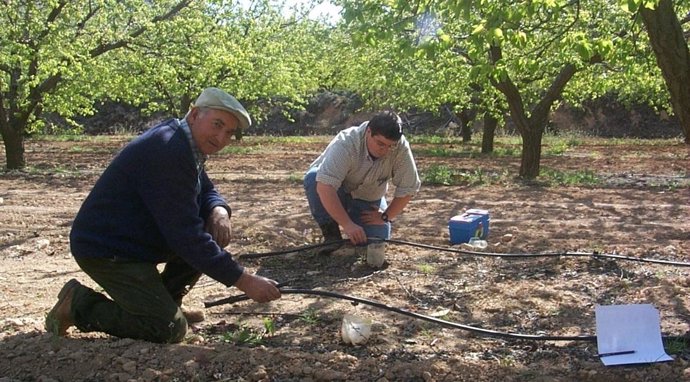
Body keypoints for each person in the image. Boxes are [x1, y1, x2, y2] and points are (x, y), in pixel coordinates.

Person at [45, 87, 281, 344]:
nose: (221, 137)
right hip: (108, 250)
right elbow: (185, 236)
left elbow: (205, 188)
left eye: (229, 132)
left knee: (208, 228)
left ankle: (167, 302)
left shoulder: (183, 141)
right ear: (194, 115)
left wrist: (218, 209)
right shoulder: (167, 149)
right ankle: (78, 305)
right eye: (217, 124)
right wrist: (244, 280)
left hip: (135, 243)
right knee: (167, 329)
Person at [303, 110, 421, 253]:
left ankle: (358, 227)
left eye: (391, 146)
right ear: (368, 132)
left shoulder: (401, 148)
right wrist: (348, 225)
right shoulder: (347, 142)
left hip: (367, 198)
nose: (386, 150)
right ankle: (331, 235)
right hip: (336, 192)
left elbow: (409, 187)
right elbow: (325, 186)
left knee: (376, 241)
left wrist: (386, 216)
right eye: (380, 143)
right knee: (314, 177)